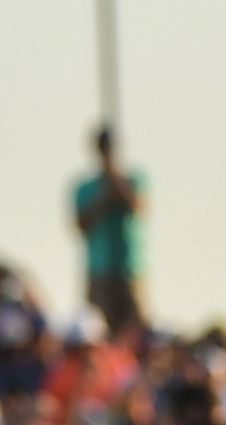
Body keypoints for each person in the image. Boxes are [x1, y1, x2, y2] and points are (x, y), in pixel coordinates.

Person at [73, 126, 146, 335]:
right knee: (98, 329)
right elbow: (80, 224)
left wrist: (113, 178)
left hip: (129, 269)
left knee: (136, 330)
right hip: (99, 271)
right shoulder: (85, 188)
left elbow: (137, 206)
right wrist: (103, 198)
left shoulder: (133, 180)